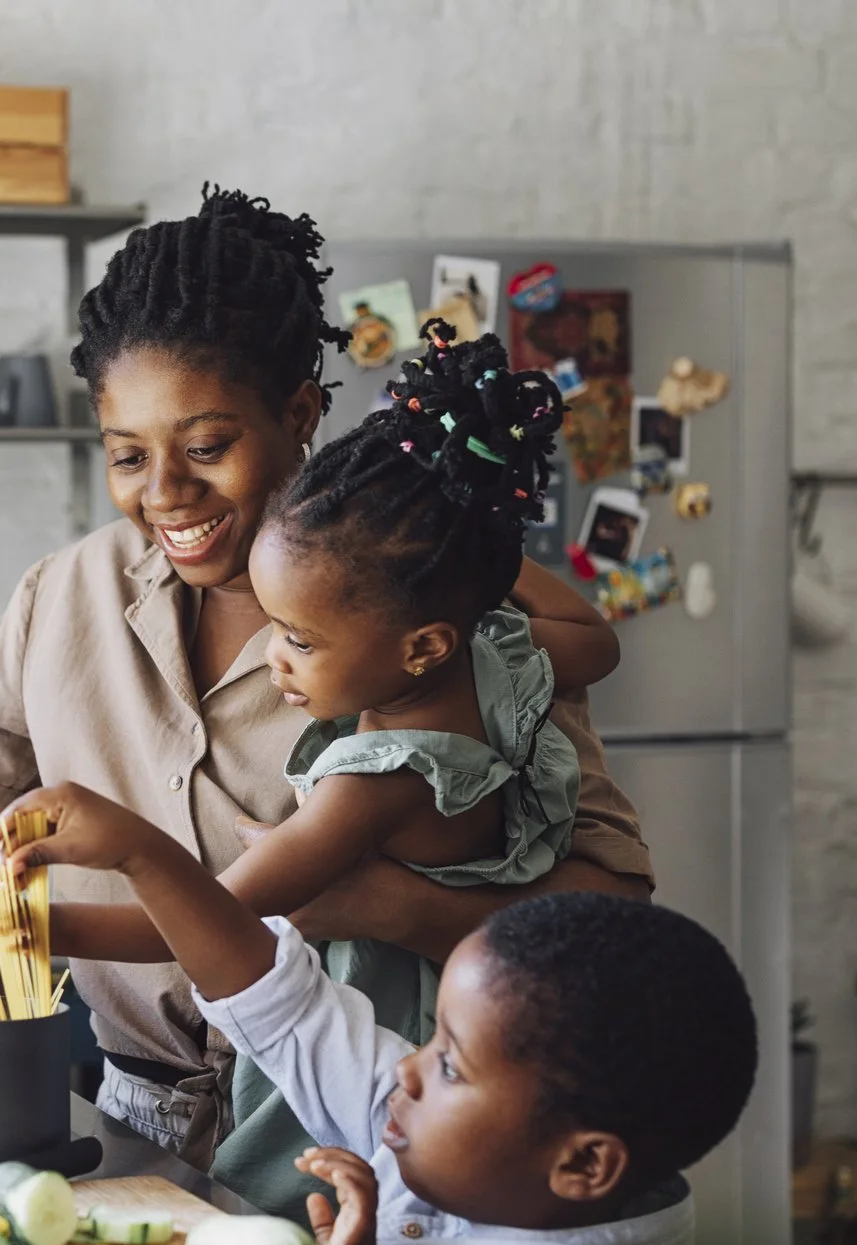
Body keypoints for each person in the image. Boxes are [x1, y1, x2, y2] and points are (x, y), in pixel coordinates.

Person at [0, 186, 654, 1178]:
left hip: (370, 1133)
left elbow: (609, 921)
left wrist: (395, 909)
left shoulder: (431, 612)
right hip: (126, 1125)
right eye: (128, 455)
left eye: (207, 447)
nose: (164, 492)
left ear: (298, 413)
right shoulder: (66, 595)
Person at [0, 785, 758, 1245]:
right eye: (432, 1039)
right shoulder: (441, 1138)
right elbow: (277, 1000)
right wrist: (138, 855)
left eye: (451, 1065)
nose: (409, 1069)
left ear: (583, 1166)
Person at [32, 319, 617, 975]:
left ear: (421, 646)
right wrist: (460, 542)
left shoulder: (372, 784)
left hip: (386, 1042)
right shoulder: (494, 658)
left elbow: (207, 917)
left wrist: (30, 927)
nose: (272, 655)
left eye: (298, 639)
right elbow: (597, 642)